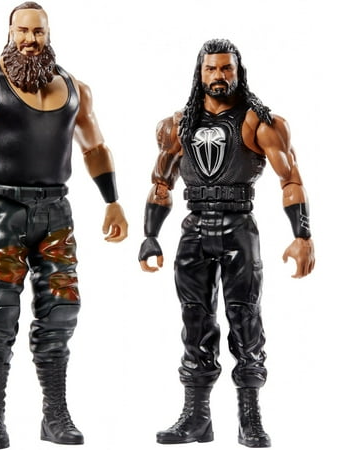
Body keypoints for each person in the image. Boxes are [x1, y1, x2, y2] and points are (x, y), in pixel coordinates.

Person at [0, 2, 128, 448]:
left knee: (62, 310)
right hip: (3, 210)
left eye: (39, 32)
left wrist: (112, 201)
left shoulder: (75, 89)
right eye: (23, 31)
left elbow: (94, 148)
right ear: (10, 32)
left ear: (48, 34)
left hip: (56, 212)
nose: (31, 40)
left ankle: (55, 416)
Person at [138, 39, 314, 448]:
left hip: (239, 227)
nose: (219, 75)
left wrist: (302, 235)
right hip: (194, 228)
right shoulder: (177, 125)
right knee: (195, 321)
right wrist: (150, 235)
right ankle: (196, 418)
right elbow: (161, 183)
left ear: (238, 71)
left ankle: (249, 419)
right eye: (211, 68)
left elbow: (290, 178)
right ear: (199, 73)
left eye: (226, 68)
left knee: (245, 319)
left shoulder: (260, 122)